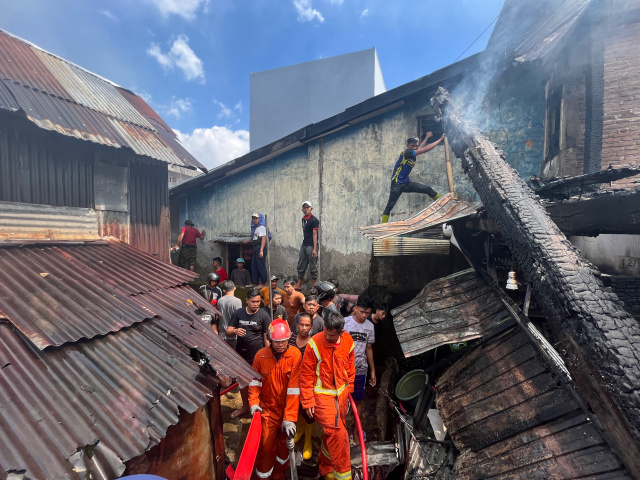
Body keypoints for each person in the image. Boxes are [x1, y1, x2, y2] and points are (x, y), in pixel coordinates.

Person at [300, 312, 355, 480]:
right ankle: (343, 475)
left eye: (332, 335)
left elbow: (350, 366)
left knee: (331, 434)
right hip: (322, 396)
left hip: (342, 396)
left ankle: (326, 467)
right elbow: (306, 375)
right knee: (338, 434)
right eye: (326, 333)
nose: (327, 337)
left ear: (341, 332)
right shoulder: (314, 344)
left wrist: (350, 387)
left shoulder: (348, 341)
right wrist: (308, 401)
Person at [249, 319, 301, 480]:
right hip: (268, 410)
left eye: (284, 341)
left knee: (284, 446)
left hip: (287, 409)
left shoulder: (295, 355)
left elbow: (294, 389)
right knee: (266, 446)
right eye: (277, 341)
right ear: (270, 340)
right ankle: (263, 477)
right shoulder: (261, 355)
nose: (281, 344)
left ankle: (279, 474)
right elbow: (255, 382)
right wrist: (253, 403)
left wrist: (290, 418)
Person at [226, 288, 272, 418]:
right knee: (243, 382)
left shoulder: (263, 315)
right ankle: (246, 406)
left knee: (260, 382)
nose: (256, 304)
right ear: (246, 301)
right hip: (241, 354)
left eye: (258, 301)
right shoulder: (239, 313)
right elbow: (228, 331)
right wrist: (235, 331)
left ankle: (260, 405)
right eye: (253, 302)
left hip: (258, 355)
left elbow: (267, 336)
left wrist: (268, 354)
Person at [381, 133, 446, 223]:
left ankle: (443, 203)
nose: (415, 148)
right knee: (390, 206)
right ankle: (383, 224)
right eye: (412, 146)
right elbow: (424, 149)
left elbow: (420, 148)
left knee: (427, 189)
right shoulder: (407, 153)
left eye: (416, 146)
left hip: (406, 183)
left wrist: (427, 137)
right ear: (408, 146)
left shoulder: (412, 153)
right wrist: (440, 139)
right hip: (397, 184)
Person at [343, 297, 376, 445]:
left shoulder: (370, 327)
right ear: (355, 308)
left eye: (367, 313)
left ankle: (356, 432)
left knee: (358, 401)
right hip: (343, 370)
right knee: (342, 401)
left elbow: (369, 348)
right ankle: (342, 433)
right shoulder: (344, 323)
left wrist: (373, 371)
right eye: (362, 311)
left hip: (361, 369)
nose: (364, 315)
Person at [289, 313, 315, 460]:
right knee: (296, 409)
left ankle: (308, 440)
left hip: (308, 384)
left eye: (307, 325)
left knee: (309, 413)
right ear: (297, 325)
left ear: (311, 326)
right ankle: (299, 431)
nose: (304, 328)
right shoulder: (291, 339)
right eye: (301, 324)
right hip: (292, 383)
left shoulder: (313, 343)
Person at [296, 201, 319, 290]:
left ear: (311, 208)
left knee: (313, 265)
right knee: (301, 264)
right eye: (304, 208)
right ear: (302, 209)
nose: (306, 209)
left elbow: (315, 234)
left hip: (311, 246)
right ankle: (299, 284)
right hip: (304, 244)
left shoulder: (314, 220)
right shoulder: (303, 219)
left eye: (307, 207)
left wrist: (315, 249)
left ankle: (314, 285)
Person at [245, 213, 269, 286]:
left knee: (261, 266)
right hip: (255, 248)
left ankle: (263, 283)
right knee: (254, 266)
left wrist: (261, 250)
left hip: (260, 247)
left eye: (256, 218)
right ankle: (255, 282)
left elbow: (263, 238)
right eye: (253, 218)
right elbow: (256, 238)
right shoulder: (255, 228)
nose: (254, 220)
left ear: (260, 219)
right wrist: (249, 239)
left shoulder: (261, 227)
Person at [218, 280, 242, 349]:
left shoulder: (220, 300)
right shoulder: (237, 301)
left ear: (224, 290)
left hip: (222, 334)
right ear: (234, 288)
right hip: (233, 334)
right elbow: (239, 317)